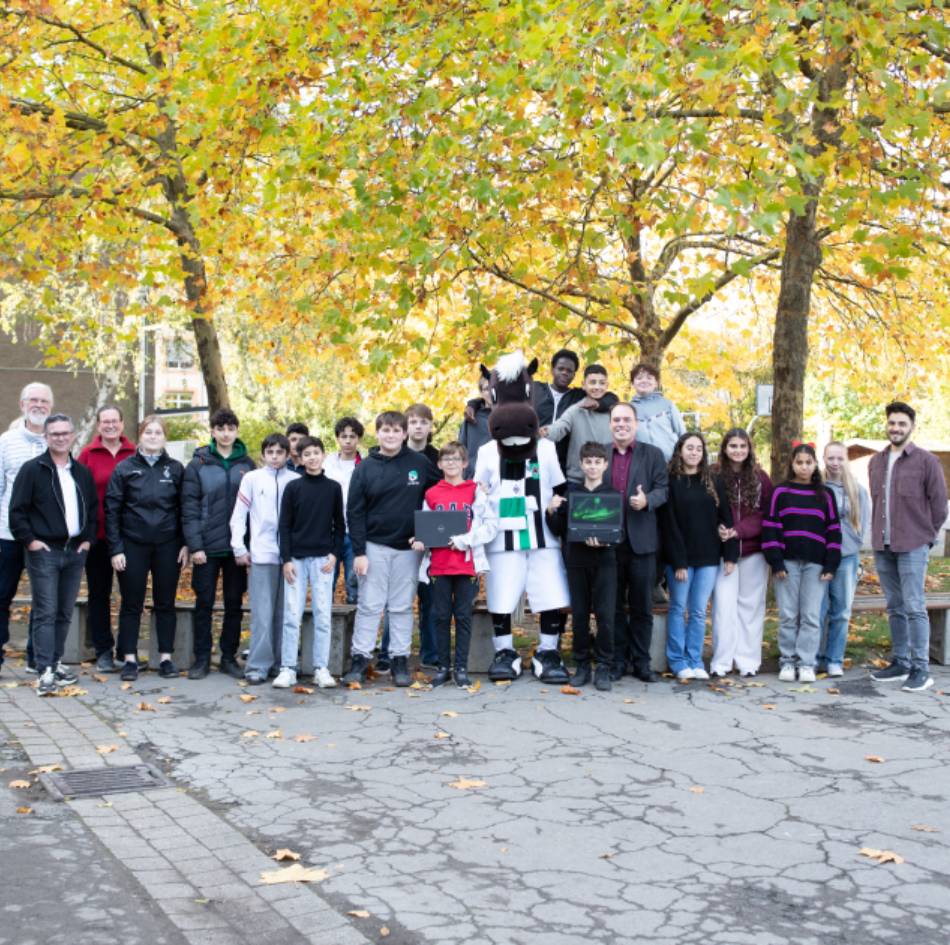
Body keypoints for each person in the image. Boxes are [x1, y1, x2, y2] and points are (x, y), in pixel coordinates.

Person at [342, 411, 439, 687]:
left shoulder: (419, 463)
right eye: (386, 430)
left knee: (401, 607)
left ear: (404, 434)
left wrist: (428, 532)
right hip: (373, 547)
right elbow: (354, 512)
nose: (391, 435)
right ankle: (360, 659)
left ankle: (399, 660)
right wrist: (359, 552)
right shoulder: (365, 468)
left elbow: (441, 491)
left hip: (409, 549)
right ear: (378, 433)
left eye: (397, 430)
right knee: (369, 605)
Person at [9, 413, 97, 696]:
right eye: (55, 434)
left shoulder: (81, 472)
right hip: (44, 552)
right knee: (46, 611)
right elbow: (17, 511)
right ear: (46, 437)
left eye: (65, 433)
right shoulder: (32, 470)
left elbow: (92, 509)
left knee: (64, 612)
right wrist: (31, 541)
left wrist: (87, 540)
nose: (60, 438)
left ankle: (55, 662)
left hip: (75, 553)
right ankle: (44, 670)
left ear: (73, 436)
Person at [868, 402, 948, 693]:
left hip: (913, 544)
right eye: (892, 423)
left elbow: (939, 506)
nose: (896, 428)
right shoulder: (876, 462)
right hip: (883, 545)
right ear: (886, 424)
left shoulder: (927, 461)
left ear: (912, 427)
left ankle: (921, 668)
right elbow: (878, 502)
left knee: (914, 606)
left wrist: (926, 537)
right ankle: (900, 662)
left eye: (902, 424)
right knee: (895, 606)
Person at [105, 416, 188, 681]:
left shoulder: (175, 469)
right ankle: (129, 658)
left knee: (166, 602)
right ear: (140, 436)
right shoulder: (124, 468)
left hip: (168, 545)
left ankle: (166, 658)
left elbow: (185, 509)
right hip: (132, 544)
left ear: (165, 437)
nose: (153, 436)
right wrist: (116, 549)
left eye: (158, 432)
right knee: (132, 603)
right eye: (148, 432)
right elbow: (112, 510)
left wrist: (185, 543)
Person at [413, 442, 495, 688]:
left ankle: (460, 668)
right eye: (446, 459)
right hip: (439, 565)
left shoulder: (475, 491)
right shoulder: (432, 493)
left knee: (463, 616)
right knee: (440, 616)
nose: (451, 463)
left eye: (456, 458)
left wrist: (464, 540)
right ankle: (442, 668)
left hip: (466, 564)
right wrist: (420, 540)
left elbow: (490, 527)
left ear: (465, 463)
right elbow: (427, 528)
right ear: (439, 464)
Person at [182, 408, 256, 680]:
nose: (225, 434)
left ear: (236, 431)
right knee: (204, 603)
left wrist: (247, 546)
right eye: (220, 429)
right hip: (206, 547)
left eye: (230, 429)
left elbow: (255, 510)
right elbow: (189, 507)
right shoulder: (198, 464)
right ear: (212, 431)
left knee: (234, 604)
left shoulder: (247, 465)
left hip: (236, 549)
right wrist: (195, 545)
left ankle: (228, 657)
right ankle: (202, 658)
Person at [660, 433, 738, 682]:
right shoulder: (671, 481)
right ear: (680, 450)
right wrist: (679, 561)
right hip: (680, 559)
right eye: (689, 448)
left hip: (708, 557)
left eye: (698, 449)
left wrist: (730, 554)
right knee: (678, 608)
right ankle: (677, 660)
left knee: (698, 611)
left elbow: (725, 518)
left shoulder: (712, 481)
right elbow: (669, 525)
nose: (694, 452)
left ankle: (695, 659)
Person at [762, 443, 841, 684]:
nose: (804, 467)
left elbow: (834, 530)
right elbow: (770, 527)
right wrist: (776, 562)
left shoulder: (825, 495)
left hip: (816, 565)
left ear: (815, 464)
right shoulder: (780, 492)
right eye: (799, 462)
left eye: (808, 462)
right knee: (788, 615)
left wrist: (831, 564)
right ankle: (788, 661)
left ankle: (806, 663)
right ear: (792, 464)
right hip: (787, 563)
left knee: (810, 616)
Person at [545, 441, 619, 691]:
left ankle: (604, 666)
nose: (593, 466)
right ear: (581, 464)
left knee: (605, 616)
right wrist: (551, 511)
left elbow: (619, 533)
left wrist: (606, 541)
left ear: (605, 465)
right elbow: (558, 530)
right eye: (588, 462)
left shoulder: (612, 495)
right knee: (579, 616)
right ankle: (582, 665)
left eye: (597, 462)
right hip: (577, 562)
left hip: (605, 563)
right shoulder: (571, 494)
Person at [606, 402, 668, 682]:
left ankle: (642, 662)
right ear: (610, 424)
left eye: (627, 419)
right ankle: (618, 661)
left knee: (642, 607)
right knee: (613, 607)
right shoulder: (600, 454)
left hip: (642, 542)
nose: (622, 424)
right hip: (609, 543)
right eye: (616, 420)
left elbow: (663, 490)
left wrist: (647, 500)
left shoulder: (652, 454)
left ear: (636, 423)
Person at [230, 433, 298, 684]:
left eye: (280, 452)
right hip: (262, 554)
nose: (275, 457)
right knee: (262, 613)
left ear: (287, 455)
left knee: (285, 613)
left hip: (291, 558)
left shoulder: (295, 480)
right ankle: (258, 665)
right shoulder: (252, 479)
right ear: (263, 454)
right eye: (270, 452)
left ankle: (283, 663)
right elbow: (239, 515)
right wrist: (238, 547)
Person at [278, 436, 344, 689]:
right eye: (307, 454)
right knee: (291, 614)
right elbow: (284, 526)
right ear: (300, 458)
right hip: (296, 559)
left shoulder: (333, 488)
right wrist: (286, 559)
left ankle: (321, 668)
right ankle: (288, 668)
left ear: (323, 455)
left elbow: (340, 525)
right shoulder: (293, 487)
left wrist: (334, 554)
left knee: (322, 615)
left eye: (316, 452)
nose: (312, 458)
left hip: (322, 560)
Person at [710, 429, 773, 678]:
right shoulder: (713, 475)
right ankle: (722, 662)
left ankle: (747, 661)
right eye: (733, 446)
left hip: (752, 551)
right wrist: (719, 528)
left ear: (749, 449)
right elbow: (706, 507)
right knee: (723, 607)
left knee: (751, 606)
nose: (738, 451)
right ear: (725, 448)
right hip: (722, 552)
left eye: (742, 446)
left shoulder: (761, 478)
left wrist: (738, 531)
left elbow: (766, 514)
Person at [77, 405, 135, 672]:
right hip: (98, 537)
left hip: (129, 538)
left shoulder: (134, 452)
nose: (110, 425)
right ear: (99, 425)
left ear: (122, 424)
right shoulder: (88, 454)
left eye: (114, 421)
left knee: (130, 595)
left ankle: (126, 650)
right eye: (105, 421)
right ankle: (102, 650)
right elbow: (78, 495)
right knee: (99, 594)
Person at [0, 382, 53, 673]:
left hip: (44, 537)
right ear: (22, 405)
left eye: (44, 401)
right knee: (1, 595)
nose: (39, 405)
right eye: (33, 400)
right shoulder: (6, 442)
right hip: (7, 535)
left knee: (43, 600)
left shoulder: (56, 441)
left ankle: (37, 658)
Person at [817, 441, 870, 677]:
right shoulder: (816, 487)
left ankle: (834, 659)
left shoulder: (856, 489)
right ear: (824, 459)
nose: (835, 463)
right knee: (817, 611)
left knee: (841, 611)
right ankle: (814, 657)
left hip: (846, 557)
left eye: (840, 458)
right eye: (831, 458)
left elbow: (864, 523)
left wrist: (853, 544)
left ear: (846, 459)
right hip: (819, 557)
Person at [403, 403, 439, 668]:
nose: (418, 426)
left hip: (430, 536)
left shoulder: (438, 458)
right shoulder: (394, 454)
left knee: (430, 600)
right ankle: (391, 654)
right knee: (399, 600)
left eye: (423, 422)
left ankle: (431, 654)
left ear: (430, 426)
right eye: (413, 421)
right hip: (400, 536)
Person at [542, 364, 618, 483]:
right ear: (583, 385)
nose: (597, 387)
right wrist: (546, 431)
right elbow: (560, 427)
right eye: (592, 382)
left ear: (607, 385)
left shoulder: (615, 410)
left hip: (607, 479)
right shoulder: (576, 410)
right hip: (577, 480)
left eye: (601, 383)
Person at [324, 417, 363, 605]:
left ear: (359, 439)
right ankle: (325, 623)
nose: (348, 441)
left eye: (352, 436)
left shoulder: (365, 465)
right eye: (343, 436)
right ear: (337, 438)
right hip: (329, 532)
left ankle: (353, 624)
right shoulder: (326, 464)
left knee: (354, 585)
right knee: (325, 583)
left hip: (355, 533)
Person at [628, 363, 686, 462]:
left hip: (670, 463)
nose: (644, 381)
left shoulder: (668, 405)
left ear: (656, 383)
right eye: (639, 378)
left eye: (649, 378)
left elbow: (682, 434)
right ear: (633, 383)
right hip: (642, 464)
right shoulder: (628, 409)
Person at [459, 375, 493, 479]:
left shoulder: (511, 417)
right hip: (474, 479)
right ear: (481, 393)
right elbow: (461, 450)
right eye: (487, 389)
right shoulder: (471, 418)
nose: (491, 392)